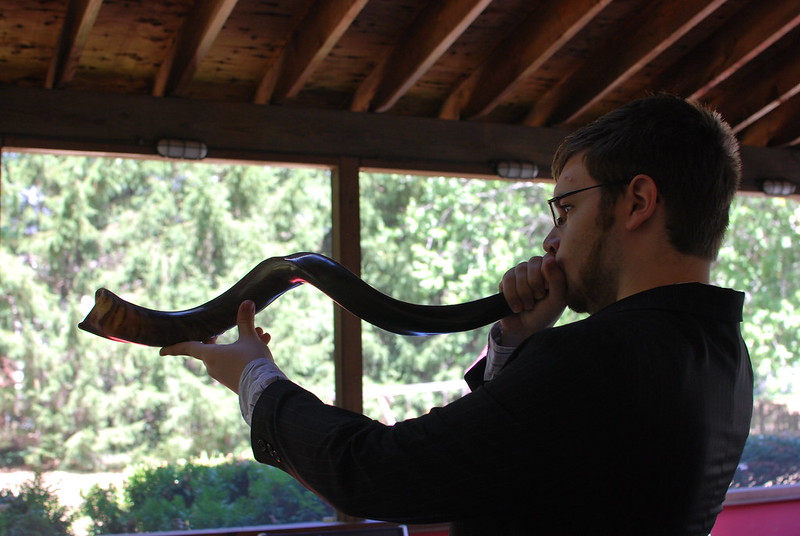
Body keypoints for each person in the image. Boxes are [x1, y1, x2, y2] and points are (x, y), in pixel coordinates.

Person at [161, 94, 753, 535]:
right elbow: (540, 471)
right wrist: (515, 343)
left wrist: (253, 379)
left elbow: (375, 474)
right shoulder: (721, 350)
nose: (551, 241)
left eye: (566, 208)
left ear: (639, 202)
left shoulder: (599, 356)